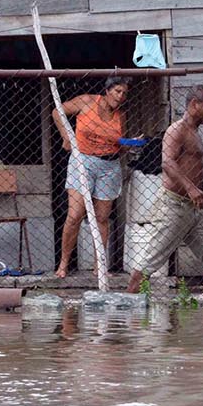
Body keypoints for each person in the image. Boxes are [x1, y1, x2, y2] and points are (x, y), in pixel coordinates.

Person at [125, 84, 203, 298]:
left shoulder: (194, 132)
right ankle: (129, 309)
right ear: (193, 105)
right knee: (148, 263)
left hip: (194, 209)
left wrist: (194, 194)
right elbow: (167, 163)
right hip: (174, 206)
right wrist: (191, 189)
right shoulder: (176, 130)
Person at [53, 77, 131, 278]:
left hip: (109, 166)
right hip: (83, 162)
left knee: (101, 218)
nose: (120, 96)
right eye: (117, 91)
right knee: (75, 214)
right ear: (107, 90)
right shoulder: (87, 101)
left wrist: (128, 144)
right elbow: (57, 112)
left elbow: (119, 145)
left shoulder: (120, 115)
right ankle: (63, 265)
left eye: (124, 93)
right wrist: (65, 136)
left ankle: (99, 267)